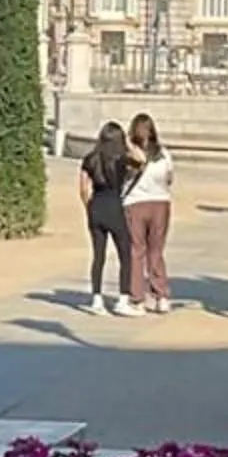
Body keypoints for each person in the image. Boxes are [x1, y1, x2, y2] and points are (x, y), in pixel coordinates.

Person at [79, 119, 138, 316]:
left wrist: (89, 206)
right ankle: (123, 299)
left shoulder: (90, 159)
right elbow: (141, 160)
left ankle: (96, 299)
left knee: (98, 255)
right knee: (125, 253)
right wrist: (129, 143)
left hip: (96, 205)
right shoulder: (121, 159)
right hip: (114, 206)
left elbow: (83, 188)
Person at [122, 112, 176, 314]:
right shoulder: (163, 154)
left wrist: (128, 144)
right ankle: (161, 295)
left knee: (137, 251)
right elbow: (169, 178)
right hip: (160, 202)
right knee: (156, 251)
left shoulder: (130, 154)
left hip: (135, 202)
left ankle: (137, 297)